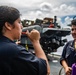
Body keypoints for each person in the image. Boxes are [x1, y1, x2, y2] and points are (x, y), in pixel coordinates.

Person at [0, 6, 50, 75]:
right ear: (8, 25)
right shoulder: (15, 51)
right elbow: (46, 71)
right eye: (19, 22)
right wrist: (36, 41)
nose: (22, 26)